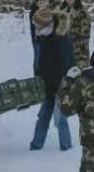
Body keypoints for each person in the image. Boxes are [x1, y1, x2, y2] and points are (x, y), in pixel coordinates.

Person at [30, 20, 75, 151]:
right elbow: (40, 63)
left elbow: (67, 63)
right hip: (47, 85)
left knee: (60, 118)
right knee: (43, 117)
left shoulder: (61, 40)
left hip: (60, 85)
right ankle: (36, 145)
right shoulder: (43, 40)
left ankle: (66, 146)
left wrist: (63, 84)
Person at [59, 0, 92, 68]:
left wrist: (79, 41)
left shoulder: (81, 10)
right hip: (65, 45)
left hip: (79, 46)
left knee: (81, 67)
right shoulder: (62, 10)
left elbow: (86, 29)